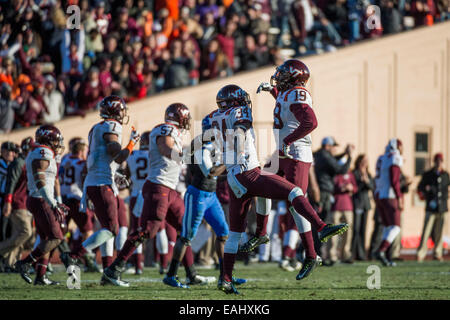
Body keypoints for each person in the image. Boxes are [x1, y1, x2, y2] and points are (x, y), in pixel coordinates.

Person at [205, 84, 348, 295]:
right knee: (295, 192)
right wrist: (240, 144)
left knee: (235, 233)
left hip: (233, 178)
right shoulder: (239, 112)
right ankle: (320, 226)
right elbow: (239, 131)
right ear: (236, 102)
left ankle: (226, 278)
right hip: (248, 172)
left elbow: (210, 137)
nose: (246, 102)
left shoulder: (212, 117)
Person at [103, 103, 209, 287]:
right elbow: (165, 148)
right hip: (159, 187)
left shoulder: (174, 131)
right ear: (180, 117)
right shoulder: (165, 129)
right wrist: (184, 155)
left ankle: (191, 274)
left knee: (186, 230)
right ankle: (113, 270)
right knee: (147, 231)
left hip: (170, 190)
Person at [254, 59, 323, 279]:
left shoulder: (298, 93)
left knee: (296, 204)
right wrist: (272, 91)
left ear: (294, 77)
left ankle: (311, 255)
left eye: (283, 74)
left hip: (296, 155)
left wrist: (289, 140)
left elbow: (310, 122)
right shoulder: (286, 93)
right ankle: (261, 233)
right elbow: (285, 108)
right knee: (260, 183)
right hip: (283, 153)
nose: (279, 76)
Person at [65, 95, 140, 273]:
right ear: (115, 111)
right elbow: (118, 155)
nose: (123, 114)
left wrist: (115, 172)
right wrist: (131, 143)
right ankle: (75, 255)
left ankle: (107, 269)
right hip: (101, 183)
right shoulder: (111, 126)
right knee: (112, 229)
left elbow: (100, 157)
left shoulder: (96, 128)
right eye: (121, 111)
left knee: (108, 228)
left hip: (94, 182)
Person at [163, 134, 243, 288]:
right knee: (187, 237)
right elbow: (211, 173)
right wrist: (230, 162)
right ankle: (171, 275)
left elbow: (216, 177)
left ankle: (224, 276)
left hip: (211, 196)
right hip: (197, 196)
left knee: (223, 233)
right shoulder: (202, 149)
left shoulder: (213, 148)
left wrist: (233, 170)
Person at [14, 125, 68, 285]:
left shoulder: (44, 152)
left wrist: (55, 199)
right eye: (56, 141)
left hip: (40, 198)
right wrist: (52, 202)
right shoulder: (41, 151)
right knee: (56, 237)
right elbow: (40, 179)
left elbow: (52, 178)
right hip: (41, 199)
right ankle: (25, 263)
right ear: (49, 139)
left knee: (45, 237)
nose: (58, 144)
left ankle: (40, 276)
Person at [0, 138, 34, 271]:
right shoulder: (19, 163)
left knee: (17, 234)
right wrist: (8, 202)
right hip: (16, 203)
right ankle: (2, 251)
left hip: (22, 202)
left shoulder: (25, 162)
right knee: (26, 232)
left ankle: (11, 263)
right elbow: (11, 185)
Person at [124, 131, 151, 274]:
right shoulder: (155, 155)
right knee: (161, 229)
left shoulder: (132, 155)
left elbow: (127, 177)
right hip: (150, 195)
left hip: (136, 193)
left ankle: (137, 265)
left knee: (135, 229)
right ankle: (164, 264)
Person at [374, 138, 404, 267]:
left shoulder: (381, 157)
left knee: (387, 227)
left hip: (379, 195)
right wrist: (400, 197)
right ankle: (381, 250)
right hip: (389, 195)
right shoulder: (395, 156)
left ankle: (387, 257)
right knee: (396, 227)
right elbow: (394, 180)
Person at [416, 153, 449, 262]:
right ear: (434, 161)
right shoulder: (428, 174)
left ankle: (438, 253)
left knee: (439, 232)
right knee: (426, 230)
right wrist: (426, 191)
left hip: (442, 207)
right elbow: (420, 188)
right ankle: (421, 253)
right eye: (437, 160)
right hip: (431, 207)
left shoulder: (445, 175)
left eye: (440, 160)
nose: (439, 162)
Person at [325, 170, 357, 265]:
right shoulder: (334, 173)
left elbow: (355, 188)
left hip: (348, 207)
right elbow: (329, 187)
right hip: (335, 206)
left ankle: (345, 254)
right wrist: (339, 188)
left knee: (348, 231)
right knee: (333, 232)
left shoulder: (350, 173)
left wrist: (351, 188)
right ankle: (332, 255)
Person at [351, 154, 374, 261]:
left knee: (363, 230)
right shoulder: (354, 173)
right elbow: (355, 188)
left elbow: (371, 187)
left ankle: (361, 254)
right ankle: (353, 253)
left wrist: (366, 180)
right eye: (363, 160)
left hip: (365, 204)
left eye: (367, 161)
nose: (365, 163)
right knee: (356, 229)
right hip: (357, 203)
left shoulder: (368, 174)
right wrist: (361, 181)